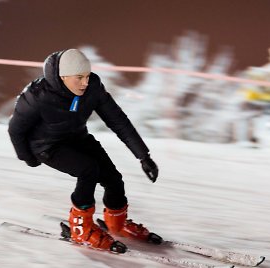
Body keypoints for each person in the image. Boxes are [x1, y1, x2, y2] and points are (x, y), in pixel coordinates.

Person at [8, 49, 159, 252]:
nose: (85, 83)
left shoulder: (92, 88)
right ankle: (81, 229)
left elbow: (118, 121)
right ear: (62, 77)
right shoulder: (38, 95)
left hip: (78, 138)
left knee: (113, 178)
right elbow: (16, 129)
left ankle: (117, 224)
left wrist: (143, 156)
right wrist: (27, 157)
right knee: (88, 170)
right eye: (79, 77)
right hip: (47, 146)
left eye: (87, 76)